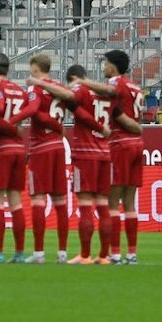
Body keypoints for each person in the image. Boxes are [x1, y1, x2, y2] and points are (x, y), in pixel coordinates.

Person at [40, 64, 111, 263]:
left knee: (86, 205)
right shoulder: (103, 92)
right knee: (103, 206)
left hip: (86, 153)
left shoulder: (80, 89)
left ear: (73, 78)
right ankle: (104, 256)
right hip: (105, 152)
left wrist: (41, 84)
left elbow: (68, 98)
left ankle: (85, 255)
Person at [97, 49, 146, 264]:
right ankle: (132, 253)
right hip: (137, 145)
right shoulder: (136, 87)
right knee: (130, 202)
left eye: (105, 63)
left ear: (112, 66)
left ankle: (115, 253)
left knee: (112, 201)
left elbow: (110, 101)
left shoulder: (116, 84)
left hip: (120, 143)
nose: (103, 67)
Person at [22, 53, 71, 262]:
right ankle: (62, 252)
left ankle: (39, 253)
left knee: (38, 200)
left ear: (35, 69)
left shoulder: (35, 88)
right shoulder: (59, 87)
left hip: (40, 147)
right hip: (59, 147)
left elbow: (33, 112)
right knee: (60, 200)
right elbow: (70, 98)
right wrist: (58, 126)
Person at [0, 51, 34, 262]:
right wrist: (16, 131)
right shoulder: (19, 91)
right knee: (15, 202)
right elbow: (21, 122)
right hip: (18, 149)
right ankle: (20, 253)